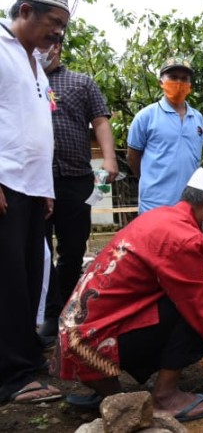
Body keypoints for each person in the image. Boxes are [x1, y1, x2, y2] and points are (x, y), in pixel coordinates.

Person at [54, 168, 203, 420]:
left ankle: (110, 394)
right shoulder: (185, 238)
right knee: (195, 309)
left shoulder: (160, 217)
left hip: (77, 339)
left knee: (202, 292)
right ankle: (165, 396)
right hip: (92, 343)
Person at [0, 0, 69, 404]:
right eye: (53, 25)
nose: (57, 36)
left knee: (28, 277)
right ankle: (12, 376)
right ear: (26, 11)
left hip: (31, 187)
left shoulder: (35, 64)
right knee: (7, 280)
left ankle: (24, 359)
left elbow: (35, 129)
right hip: (6, 181)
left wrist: (44, 187)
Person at [36, 40, 118, 344]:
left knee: (72, 248)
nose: (47, 50)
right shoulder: (23, 79)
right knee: (39, 250)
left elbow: (100, 120)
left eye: (53, 44)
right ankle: (47, 312)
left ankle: (66, 312)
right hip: (34, 179)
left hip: (75, 177)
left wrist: (109, 159)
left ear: (59, 47)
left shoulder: (81, 82)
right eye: (42, 44)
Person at [127, 56, 203, 214]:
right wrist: (152, 180)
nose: (179, 83)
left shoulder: (197, 118)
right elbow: (132, 157)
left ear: (190, 85)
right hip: (154, 204)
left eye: (184, 79)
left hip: (188, 204)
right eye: (173, 77)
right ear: (161, 82)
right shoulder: (146, 116)